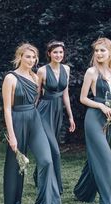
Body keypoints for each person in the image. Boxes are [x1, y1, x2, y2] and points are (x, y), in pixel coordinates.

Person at [2, 43, 63, 204]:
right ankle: (12, 203)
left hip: (34, 119)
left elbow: (35, 102)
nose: (31, 60)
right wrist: (12, 135)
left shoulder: (36, 78)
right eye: (27, 56)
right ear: (20, 56)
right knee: (15, 164)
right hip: (17, 119)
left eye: (34, 57)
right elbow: (7, 109)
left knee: (46, 160)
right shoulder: (10, 78)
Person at [73, 38, 111, 204]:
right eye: (96, 51)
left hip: (110, 119)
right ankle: (108, 202)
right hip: (94, 118)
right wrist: (101, 105)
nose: (99, 54)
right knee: (105, 157)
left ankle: (82, 192)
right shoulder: (91, 72)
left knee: (94, 157)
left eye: (103, 50)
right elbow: (83, 98)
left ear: (110, 52)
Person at [33, 40, 76, 194]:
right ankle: (56, 186)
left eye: (61, 52)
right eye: (55, 52)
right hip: (44, 110)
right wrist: (32, 113)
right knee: (55, 151)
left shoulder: (67, 69)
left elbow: (65, 94)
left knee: (50, 147)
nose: (58, 55)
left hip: (58, 111)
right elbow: (36, 95)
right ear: (49, 53)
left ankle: (38, 177)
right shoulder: (42, 71)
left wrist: (70, 116)